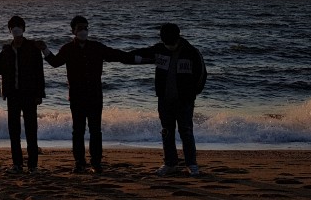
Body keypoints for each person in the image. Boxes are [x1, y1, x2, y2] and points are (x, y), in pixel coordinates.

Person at [35, 15, 137, 174]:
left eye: (85, 28)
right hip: (77, 96)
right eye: (80, 28)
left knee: (95, 131)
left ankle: (96, 163)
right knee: (78, 130)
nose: (83, 31)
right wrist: (45, 49)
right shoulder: (67, 49)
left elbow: (116, 55)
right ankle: (79, 163)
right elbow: (55, 63)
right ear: (73, 30)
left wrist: (138, 57)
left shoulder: (97, 47)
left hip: (95, 95)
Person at [130, 23, 207, 177]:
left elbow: (202, 75)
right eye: (165, 41)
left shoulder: (191, 52)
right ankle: (170, 163)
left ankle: (191, 164)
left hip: (184, 101)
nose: (168, 44)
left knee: (186, 132)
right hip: (164, 100)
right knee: (166, 132)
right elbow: (139, 55)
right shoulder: (159, 50)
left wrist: (191, 94)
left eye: (170, 40)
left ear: (177, 37)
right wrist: (114, 56)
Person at [0, 15, 45, 174]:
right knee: (14, 131)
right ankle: (17, 164)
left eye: (19, 26)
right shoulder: (6, 49)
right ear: (10, 30)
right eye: (13, 26)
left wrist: (39, 94)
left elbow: (39, 72)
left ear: (24, 29)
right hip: (12, 95)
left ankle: (33, 166)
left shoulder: (33, 47)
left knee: (31, 131)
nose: (16, 29)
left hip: (30, 95)